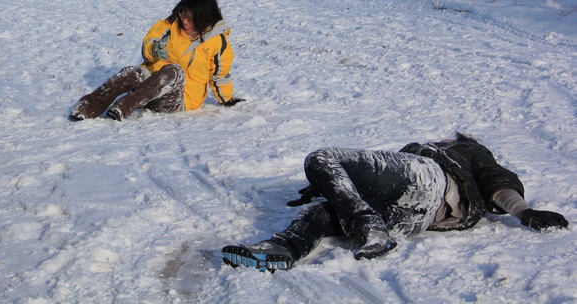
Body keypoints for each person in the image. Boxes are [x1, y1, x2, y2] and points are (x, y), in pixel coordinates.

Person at [222, 133, 569, 272]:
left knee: (321, 158)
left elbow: (498, 182)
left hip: (432, 180)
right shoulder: (419, 153)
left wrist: (524, 211)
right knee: (322, 212)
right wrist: (327, 187)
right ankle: (283, 249)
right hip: (416, 217)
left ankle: (366, 225)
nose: (447, 137)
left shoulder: (463, 152)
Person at [69, 0, 242, 122]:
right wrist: (153, 49)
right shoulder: (170, 25)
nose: (185, 22)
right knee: (134, 71)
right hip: (147, 92)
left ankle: (123, 106)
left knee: (174, 71)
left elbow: (219, 75)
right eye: (183, 15)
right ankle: (87, 107)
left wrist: (227, 100)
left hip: (177, 100)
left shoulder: (218, 42)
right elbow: (149, 42)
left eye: (190, 18)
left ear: (204, 19)